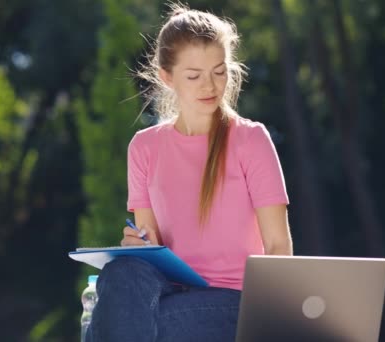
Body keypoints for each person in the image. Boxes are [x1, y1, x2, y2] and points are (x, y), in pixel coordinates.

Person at [86, 3, 292, 341]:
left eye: (219, 71)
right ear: (167, 77)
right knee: (121, 272)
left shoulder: (250, 140)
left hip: (236, 303)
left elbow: (278, 245)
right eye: (194, 76)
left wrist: (272, 324)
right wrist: (137, 246)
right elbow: (149, 245)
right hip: (168, 293)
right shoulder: (144, 147)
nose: (209, 86)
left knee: (136, 323)